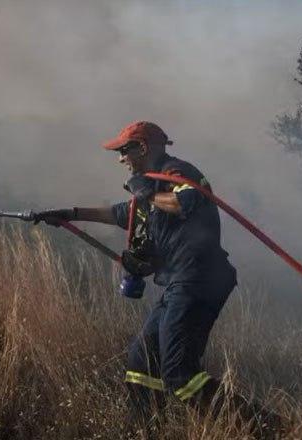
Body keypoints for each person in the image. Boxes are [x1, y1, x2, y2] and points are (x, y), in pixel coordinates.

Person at [33, 121, 239, 423]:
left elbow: (187, 202)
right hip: (177, 284)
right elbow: (120, 213)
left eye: (123, 150)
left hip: (200, 280)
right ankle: (146, 430)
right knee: (141, 364)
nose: (120, 158)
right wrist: (69, 214)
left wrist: (148, 195)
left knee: (180, 376)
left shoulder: (178, 171)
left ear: (142, 148)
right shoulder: (149, 186)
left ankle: (268, 427)